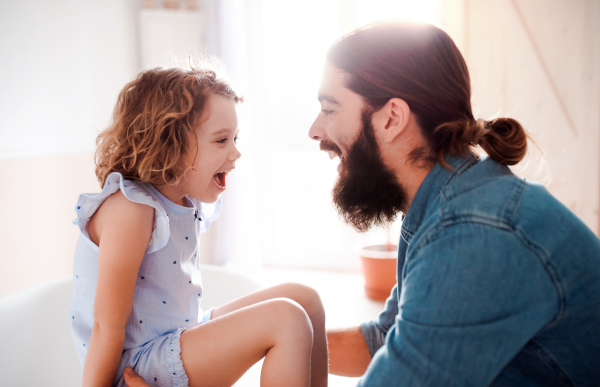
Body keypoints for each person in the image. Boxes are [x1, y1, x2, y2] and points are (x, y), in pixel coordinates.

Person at [311, 21, 600, 386]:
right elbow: (388, 337)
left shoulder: (470, 231)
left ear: (392, 119)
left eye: (330, 109)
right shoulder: (445, 201)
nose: (314, 130)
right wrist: (272, 340)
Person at [68, 66, 328, 387]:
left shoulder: (185, 199)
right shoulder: (132, 209)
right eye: (221, 140)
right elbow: (106, 327)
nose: (236, 152)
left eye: (234, 138)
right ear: (169, 144)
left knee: (304, 299)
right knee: (286, 319)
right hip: (140, 363)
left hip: (180, 334)